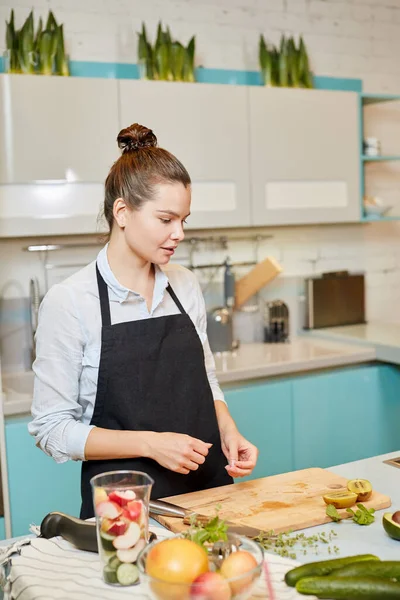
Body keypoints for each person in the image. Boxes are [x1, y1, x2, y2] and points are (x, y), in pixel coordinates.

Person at [29, 123, 258, 519]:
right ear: (122, 212)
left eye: (184, 220)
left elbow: (206, 379)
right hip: (124, 509)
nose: (179, 233)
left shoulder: (184, 285)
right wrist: (150, 444)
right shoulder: (70, 302)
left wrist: (228, 428)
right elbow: (51, 430)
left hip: (207, 495)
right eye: (166, 219)